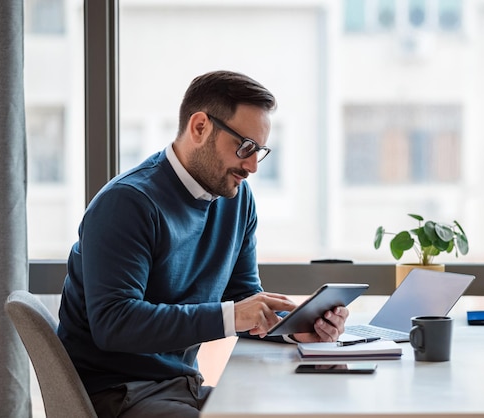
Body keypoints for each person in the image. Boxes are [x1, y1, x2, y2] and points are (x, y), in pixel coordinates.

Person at [57, 70, 349, 418]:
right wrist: (232, 315)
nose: (253, 166)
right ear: (199, 128)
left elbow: (243, 298)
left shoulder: (236, 199)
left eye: (260, 151)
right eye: (245, 147)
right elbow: (115, 323)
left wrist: (298, 329)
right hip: (118, 395)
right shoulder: (127, 203)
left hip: (182, 387)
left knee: (303, 408)